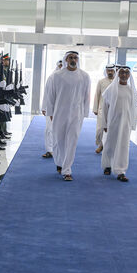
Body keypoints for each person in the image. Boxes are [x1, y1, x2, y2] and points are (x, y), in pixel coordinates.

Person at [44, 51, 90, 181]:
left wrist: (84, 113)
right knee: (59, 141)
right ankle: (59, 162)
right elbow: (51, 96)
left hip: (76, 114)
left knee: (72, 141)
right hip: (60, 113)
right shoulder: (57, 76)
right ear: (66, 59)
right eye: (70, 57)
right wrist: (50, 113)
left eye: (75, 57)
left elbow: (87, 96)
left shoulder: (84, 76)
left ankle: (67, 170)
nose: (73, 59)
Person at [101, 66, 137, 181]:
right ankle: (107, 165)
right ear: (118, 74)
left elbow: (134, 108)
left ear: (129, 75)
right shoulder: (111, 89)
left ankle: (121, 171)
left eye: (126, 73)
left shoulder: (131, 90)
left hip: (126, 123)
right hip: (113, 122)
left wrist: (133, 124)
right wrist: (104, 124)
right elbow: (105, 108)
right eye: (122, 73)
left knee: (123, 147)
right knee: (110, 144)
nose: (124, 75)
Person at [42, 60, 63, 158]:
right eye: (60, 65)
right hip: (51, 107)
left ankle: (59, 149)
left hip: (62, 108)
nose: (61, 66)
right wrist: (44, 107)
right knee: (49, 129)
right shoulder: (52, 77)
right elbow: (46, 93)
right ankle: (49, 150)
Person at [94, 65, 115, 154]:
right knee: (100, 128)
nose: (110, 72)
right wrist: (95, 108)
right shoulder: (101, 82)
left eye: (111, 71)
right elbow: (97, 95)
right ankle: (101, 145)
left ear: (114, 71)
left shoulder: (117, 82)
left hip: (114, 109)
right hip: (102, 109)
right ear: (106, 71)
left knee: (112, 128)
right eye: (108, 71)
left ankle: (109, 146)